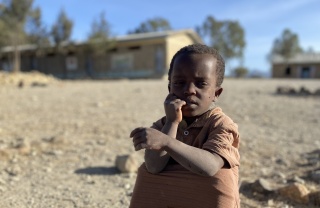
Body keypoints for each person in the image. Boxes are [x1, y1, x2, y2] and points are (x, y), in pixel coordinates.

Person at [129, 43, 240, 208]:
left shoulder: (220, 124)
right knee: (145, 172)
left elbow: (209, 168)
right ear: (169, 88)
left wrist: (166, 142)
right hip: (172, 199)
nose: (189, 90)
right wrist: (172, 123)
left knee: (220, 177)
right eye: (179, 83)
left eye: (201, 83)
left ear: (216, 93)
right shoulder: (163, 124)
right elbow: (153, 166)